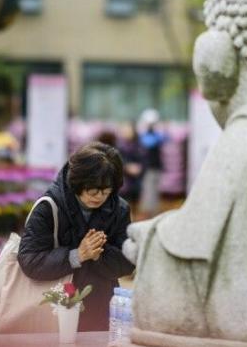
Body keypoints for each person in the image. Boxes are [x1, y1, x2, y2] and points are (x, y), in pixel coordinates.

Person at [17, 141, 135, 331]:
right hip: (53, 309)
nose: (99, 197)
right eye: (93, 190)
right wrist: (76, 255)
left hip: (101, 310)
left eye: (106, 191)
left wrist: (99, 255)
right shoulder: (48, 207)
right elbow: (29, 260)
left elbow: (128, 262)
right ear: (77, 182)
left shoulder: (119, 209)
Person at [138, 109, 166, 218]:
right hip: (149, 167)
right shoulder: (148, 136)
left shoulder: (156, 135)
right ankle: (149, 212)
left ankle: (153, 212)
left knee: (153, 190)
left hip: (154, 167)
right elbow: (148, 142)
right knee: (149, 190)